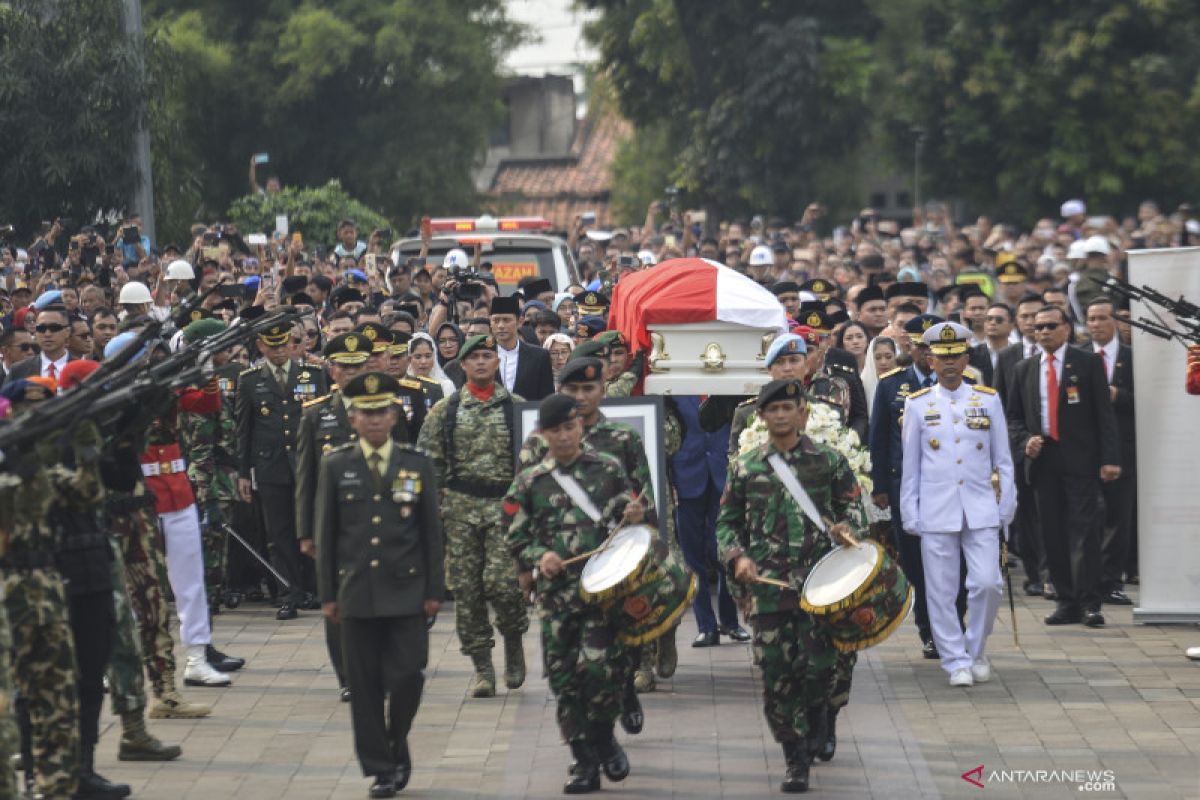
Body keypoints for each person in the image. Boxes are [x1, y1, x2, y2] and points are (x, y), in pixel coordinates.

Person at [716, 379, 865, 794]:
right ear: (761, 417)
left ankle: (819, 716)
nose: (780, 415)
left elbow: (855, 509)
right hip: (769, 590)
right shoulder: (746, 466)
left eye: (788, 407)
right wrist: (738, 558)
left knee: (820, 672)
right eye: (773, 409)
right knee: (776, 678)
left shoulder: (829, 461)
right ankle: (795, 759)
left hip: (821, 587)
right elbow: (727, 524)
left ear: (802, 412)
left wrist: (846, 529)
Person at [504, 393, 645, 794]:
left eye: (570, 427)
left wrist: (633, 512)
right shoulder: (529, 482)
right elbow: (515, 534)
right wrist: (538, 556)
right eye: (555, 430)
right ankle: (583, 760)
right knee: (565, 681)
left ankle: (602, 736)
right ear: (542, 434)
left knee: (602, 672)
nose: (564, 436)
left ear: (580, 426)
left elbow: (630, 513)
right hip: (556, 598)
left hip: (603, 593)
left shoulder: (607, 468)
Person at [315, 372, 444, 799]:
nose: (374, 420)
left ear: (394, 415)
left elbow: (431, 534)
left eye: (381, 412)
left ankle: (397, 739)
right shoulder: (335, 465)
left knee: (408, 676)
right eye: (365, 413)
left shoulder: (416, 463)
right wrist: (328, 596)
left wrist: (434, 591)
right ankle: (381, 767)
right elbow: (327, 535)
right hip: (356, 592)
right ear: (352, 419)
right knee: (365, 686)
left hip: (406, 590)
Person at [899, 322, 1016, 687]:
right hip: (937, 506)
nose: (949, 364)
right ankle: (954, 660)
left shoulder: (987, 399)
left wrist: (1007, 504)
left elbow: (1004, 459)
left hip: (980, 505)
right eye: (942, 357)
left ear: (967, 357)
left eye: (956, 356)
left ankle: (975, 648)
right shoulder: (918, 404)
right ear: (930, 359)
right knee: (941, 589)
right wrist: (910, 510)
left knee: (986, 583)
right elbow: (911, 465)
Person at [416, 334, 529, 697]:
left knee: (504, 585)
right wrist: (433, 508)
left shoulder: (517, 408)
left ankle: (513, 642)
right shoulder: (445, 410)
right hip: (461, 511)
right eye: (474, 357)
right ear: (462, 366)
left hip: (505, 510)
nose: (481, 362)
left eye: (487, 356)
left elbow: (537, 462)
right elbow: (428, 462)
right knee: (466, 591)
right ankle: (482, 667)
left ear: (497, 363)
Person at [1004, 305, 1120, 628]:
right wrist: (1025, 441)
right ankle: (1066, 601)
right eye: (1038, 327)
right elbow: (1013, 418)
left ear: (1066, 329)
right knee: (1051, 534)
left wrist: (1110, 458)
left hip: (1081, 460)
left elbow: (1103, 415)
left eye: (1050, 326)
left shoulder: (1087, 363)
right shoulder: (1024, 369)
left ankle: (1090, 603)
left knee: (1084, 533)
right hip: (1044, 460)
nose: (1042, 332)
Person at [868, 314, 956, 659]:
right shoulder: (893, 384)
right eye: (918, 345)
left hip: (948, 485)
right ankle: (929, 630)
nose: (923, 351)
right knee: (917, 563)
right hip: (906, 485)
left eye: (929, 345)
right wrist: (879, 484)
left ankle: (952, 623)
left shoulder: (954, 383)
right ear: (910, 346)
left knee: (951, 562)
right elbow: (878, 438)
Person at [295, 332, 373, 701]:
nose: (352, 373)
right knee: (337, 603)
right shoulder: (316, 413)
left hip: (377, 520)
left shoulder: (384, 410)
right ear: (331, 370)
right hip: (334, 525)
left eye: (359, 366)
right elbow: (305, 479)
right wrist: (305, 531)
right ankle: (347, 676)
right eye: (344, 367)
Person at [235, 322, 328, 620]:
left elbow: (323, 421)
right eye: (270, 345)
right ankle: (289, 592)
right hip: (269, 465)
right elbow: (244, 431)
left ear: (292, 344)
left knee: (310, 527)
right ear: (261, 347)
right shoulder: (249, 380)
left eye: (283, 344)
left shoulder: (312, 375)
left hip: (305, 464)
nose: (277, 351)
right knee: (278, 531)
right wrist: (242, 473)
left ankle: (313, 589)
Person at [1084, 297, 1136, 606]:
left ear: (1115, 322)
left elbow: (1148, 399)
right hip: (1087, 450)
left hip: (1123, 448)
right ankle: (1088, 579)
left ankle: (1112, 581)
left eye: (1102, 318)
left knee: (1119, 518)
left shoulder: (1131, 358)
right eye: (1091, 318)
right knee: (1087, 518)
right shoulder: (1078, 357)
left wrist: (1119, 395)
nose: (1096, 324)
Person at [490, 295, 554, 400]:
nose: (500, 325)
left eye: (506, 320)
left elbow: (546, 398)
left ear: (520, 322)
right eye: (496, 320)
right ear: (490, 323)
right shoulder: (482, 355)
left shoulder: (539, 356)